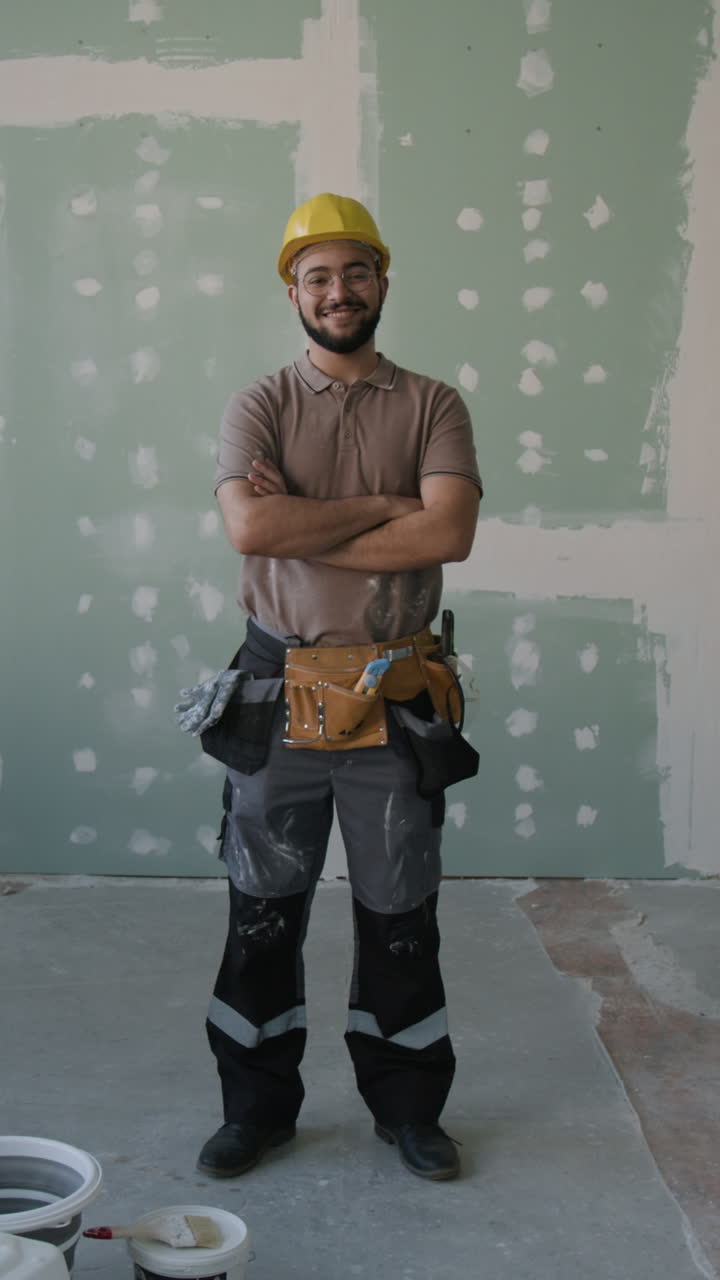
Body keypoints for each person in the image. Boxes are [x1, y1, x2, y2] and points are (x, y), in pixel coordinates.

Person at [196, 193, 482, 1182]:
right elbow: (252, 531)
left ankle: (408, 1109)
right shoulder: (259, 403)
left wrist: (310, 515)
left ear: (382, 281)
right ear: (293, 291)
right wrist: (381, 507)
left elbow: (447, 532)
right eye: (318, 274)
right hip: (279, 694)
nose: (339, 290)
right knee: (261, 912)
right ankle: (257, 1111)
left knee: (401, 920)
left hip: (396, 695)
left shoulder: (433, 402)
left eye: (356, 271)